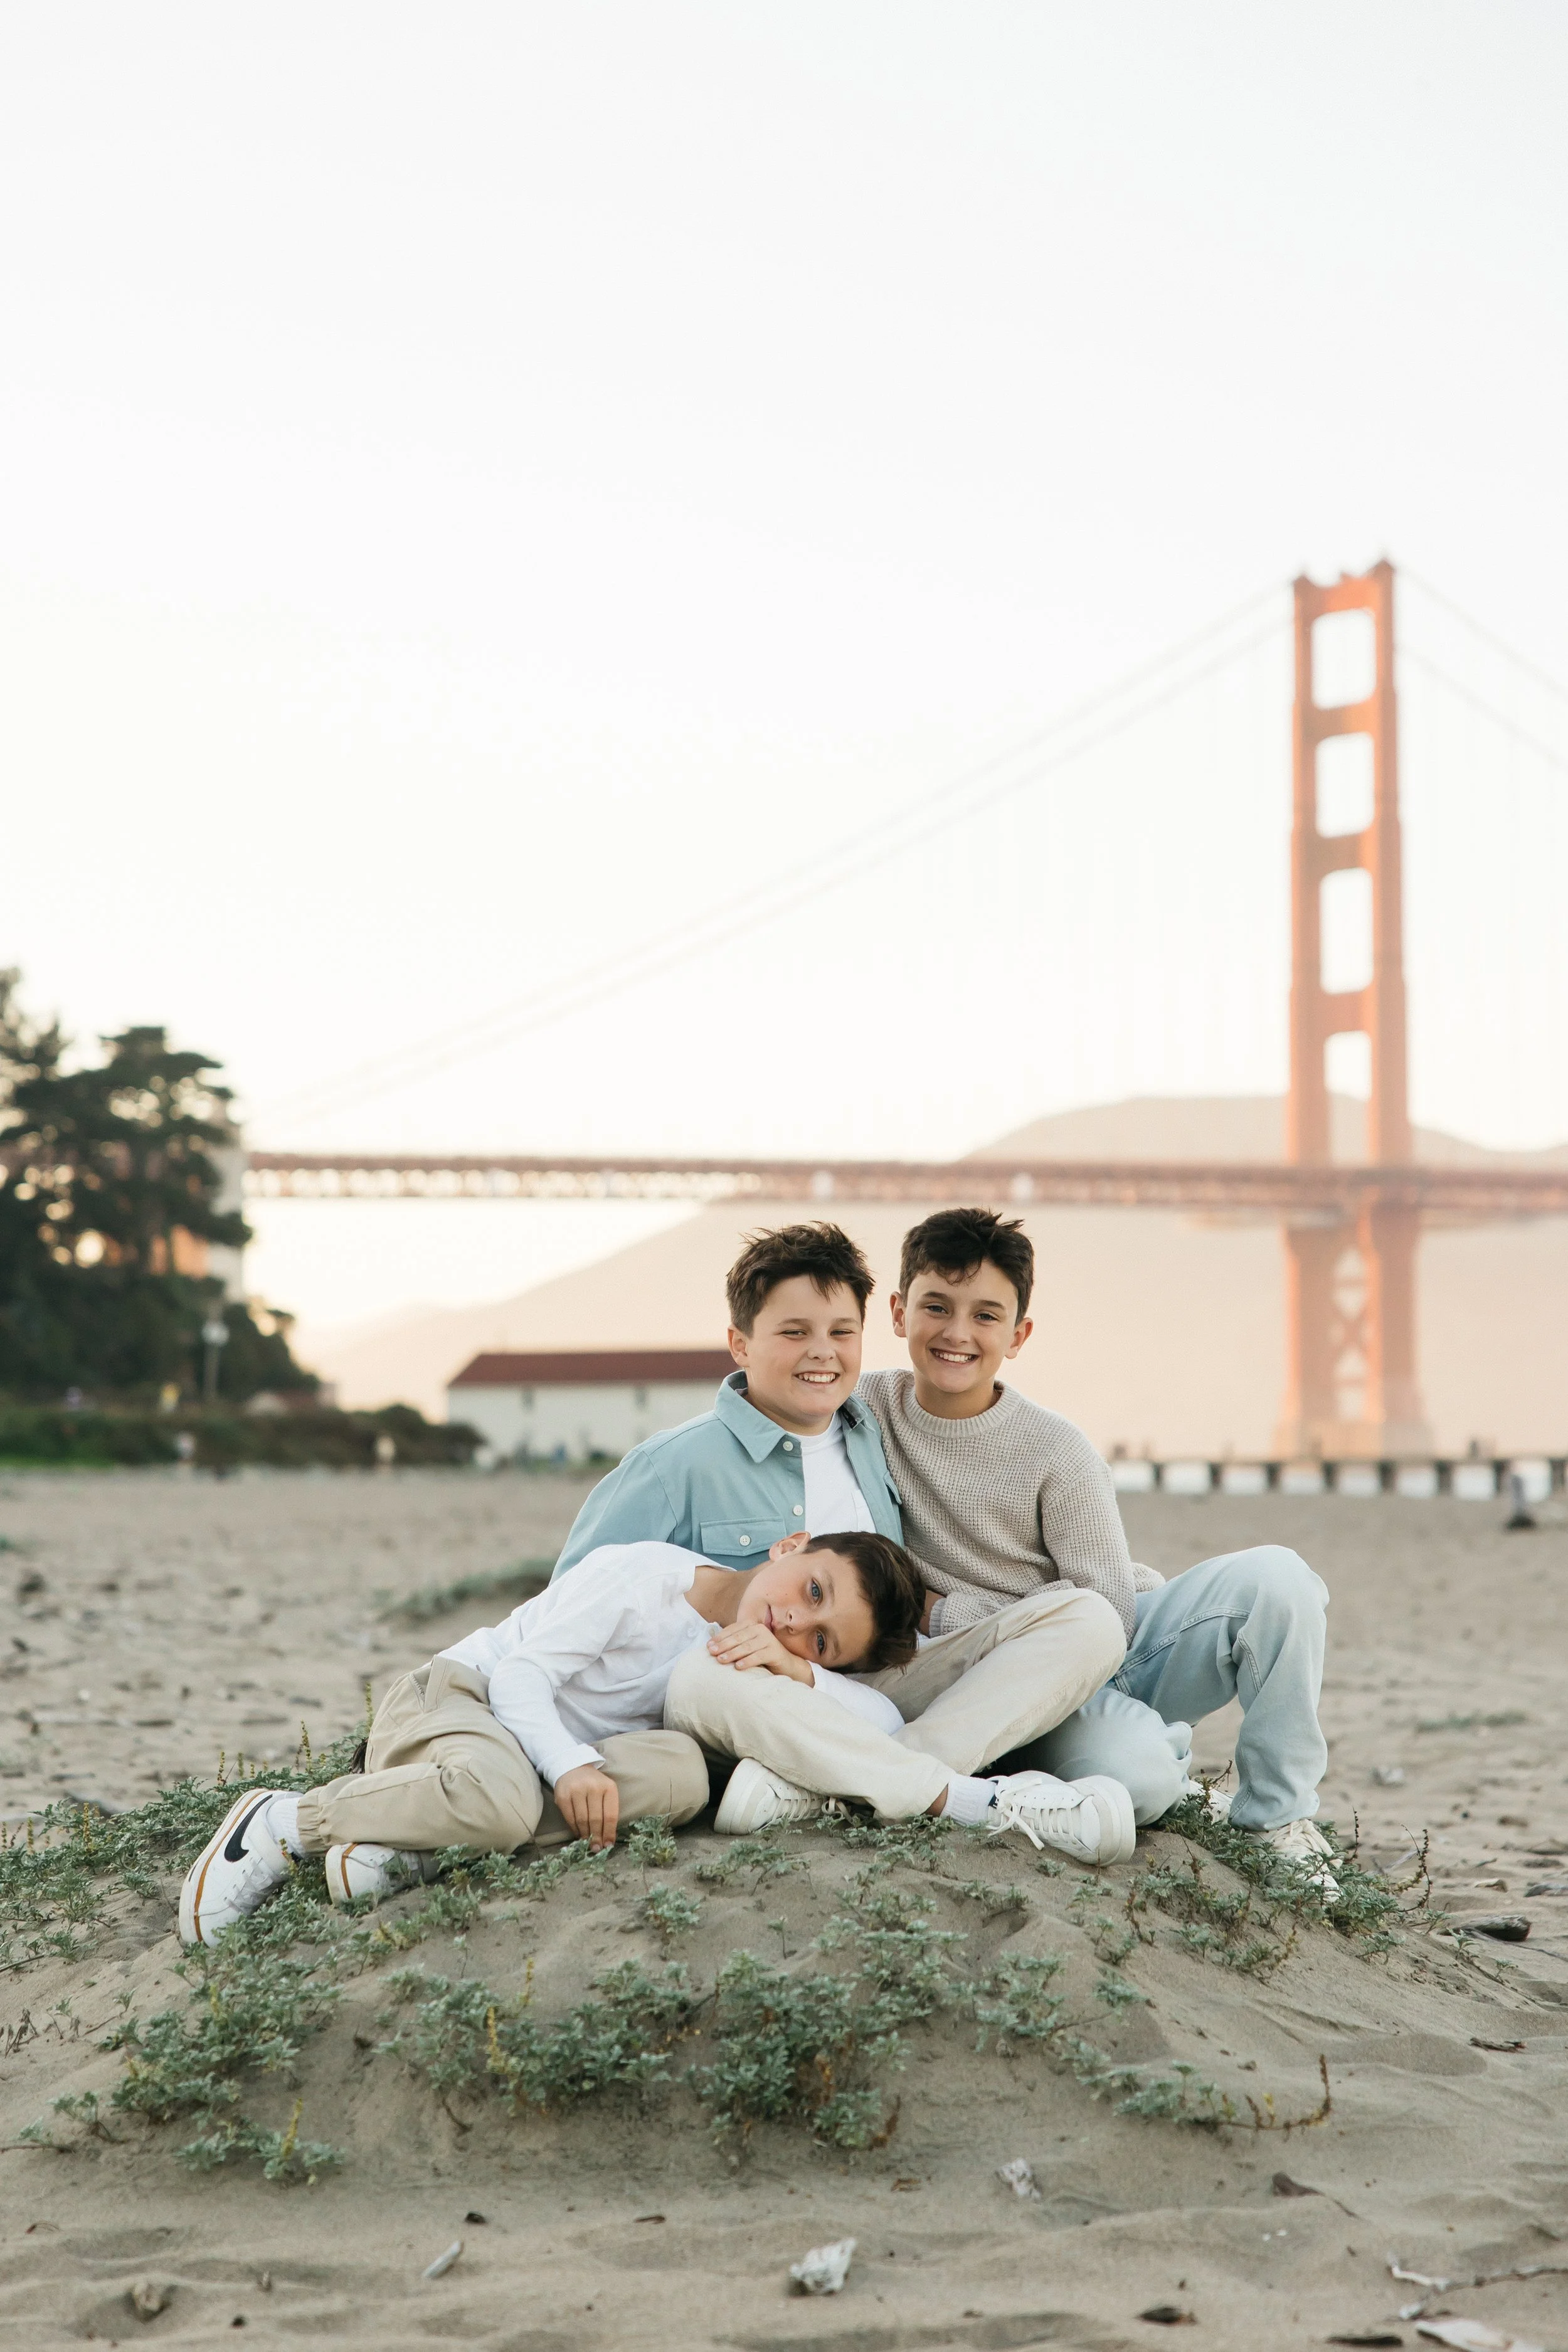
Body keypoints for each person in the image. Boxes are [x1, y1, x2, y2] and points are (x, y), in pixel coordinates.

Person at [555, 1221, 1139, 1865]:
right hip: (754, 1697)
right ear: (739, 1344)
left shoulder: (870, 1427)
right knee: (703, 1675)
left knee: (1091, 1620)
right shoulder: (671, 1464)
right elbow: (568, 1611)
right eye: (794, 1333)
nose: (822, 1354)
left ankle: (848, 1784)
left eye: (840, 1334)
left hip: (883, 1687)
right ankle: (952, 1797)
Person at [858, 1205, 1338, 1891]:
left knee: (1279, 1581)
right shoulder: (861, 1412)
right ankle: (1166, 1776)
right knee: (1138, 1779)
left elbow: (1106, 1613)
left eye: (986, 1316)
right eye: (937, 1307)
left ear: (1019, 1334)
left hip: (1110, 1653)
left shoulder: (1057, 1449)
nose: (957, 1334)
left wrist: (943, 1611)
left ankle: (1277, 1820)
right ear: (899, 1312)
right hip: (989, 1687)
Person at [179, 1527, 921, 1947]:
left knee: (683, 1777)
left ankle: (420, 1840)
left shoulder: (752, 1655)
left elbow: (883, 1721)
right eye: (812, 1592)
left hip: (522, 1763)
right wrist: (567, 1766)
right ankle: (280, 1822)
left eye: (822, 1641)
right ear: (792, 1546)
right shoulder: (645, 1578)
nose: (795, 1622)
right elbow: (521, 1680)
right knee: (504, 1799)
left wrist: (798, 1672)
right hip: (462, 1701)